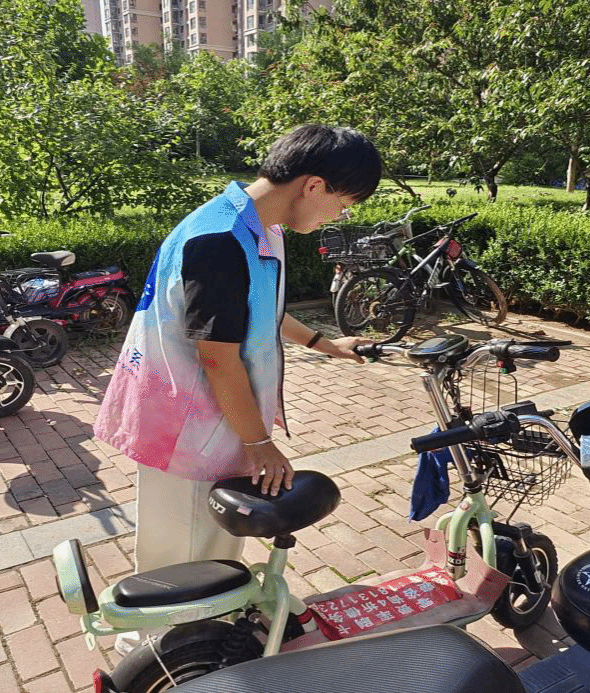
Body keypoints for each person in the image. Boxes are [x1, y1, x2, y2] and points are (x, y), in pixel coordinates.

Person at [93, 124, 383, 654]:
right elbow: (217, 357)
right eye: (344, 204)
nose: (340, 216)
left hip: (211, 415)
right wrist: (259, 443)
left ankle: (204, 632)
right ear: (313, 186)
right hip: (186, 424)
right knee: (180, 551)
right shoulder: (222, 240)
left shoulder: (256, 226)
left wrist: (324, 343)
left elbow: (257, 309)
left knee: (211, 539)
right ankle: (163, 656)